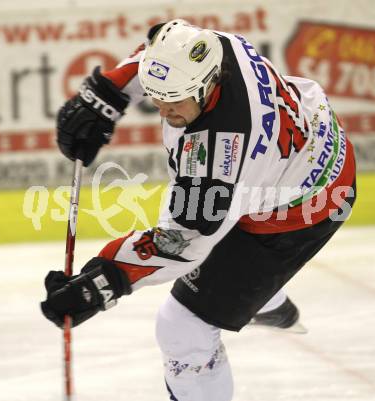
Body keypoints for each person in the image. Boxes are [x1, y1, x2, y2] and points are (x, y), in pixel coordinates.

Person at [41, 20, 356, 401]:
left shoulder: (219, 157)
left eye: (176, 99)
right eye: (158, 96)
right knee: (222, 247)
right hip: (301, 151)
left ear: (207, 85)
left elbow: (177, 244)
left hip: (300, 209)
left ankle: (261, 295)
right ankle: (267, 301)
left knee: (181, 328)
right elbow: (157, 54)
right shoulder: (214, 49)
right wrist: (106, 95)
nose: (164, 108)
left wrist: (99, 282)